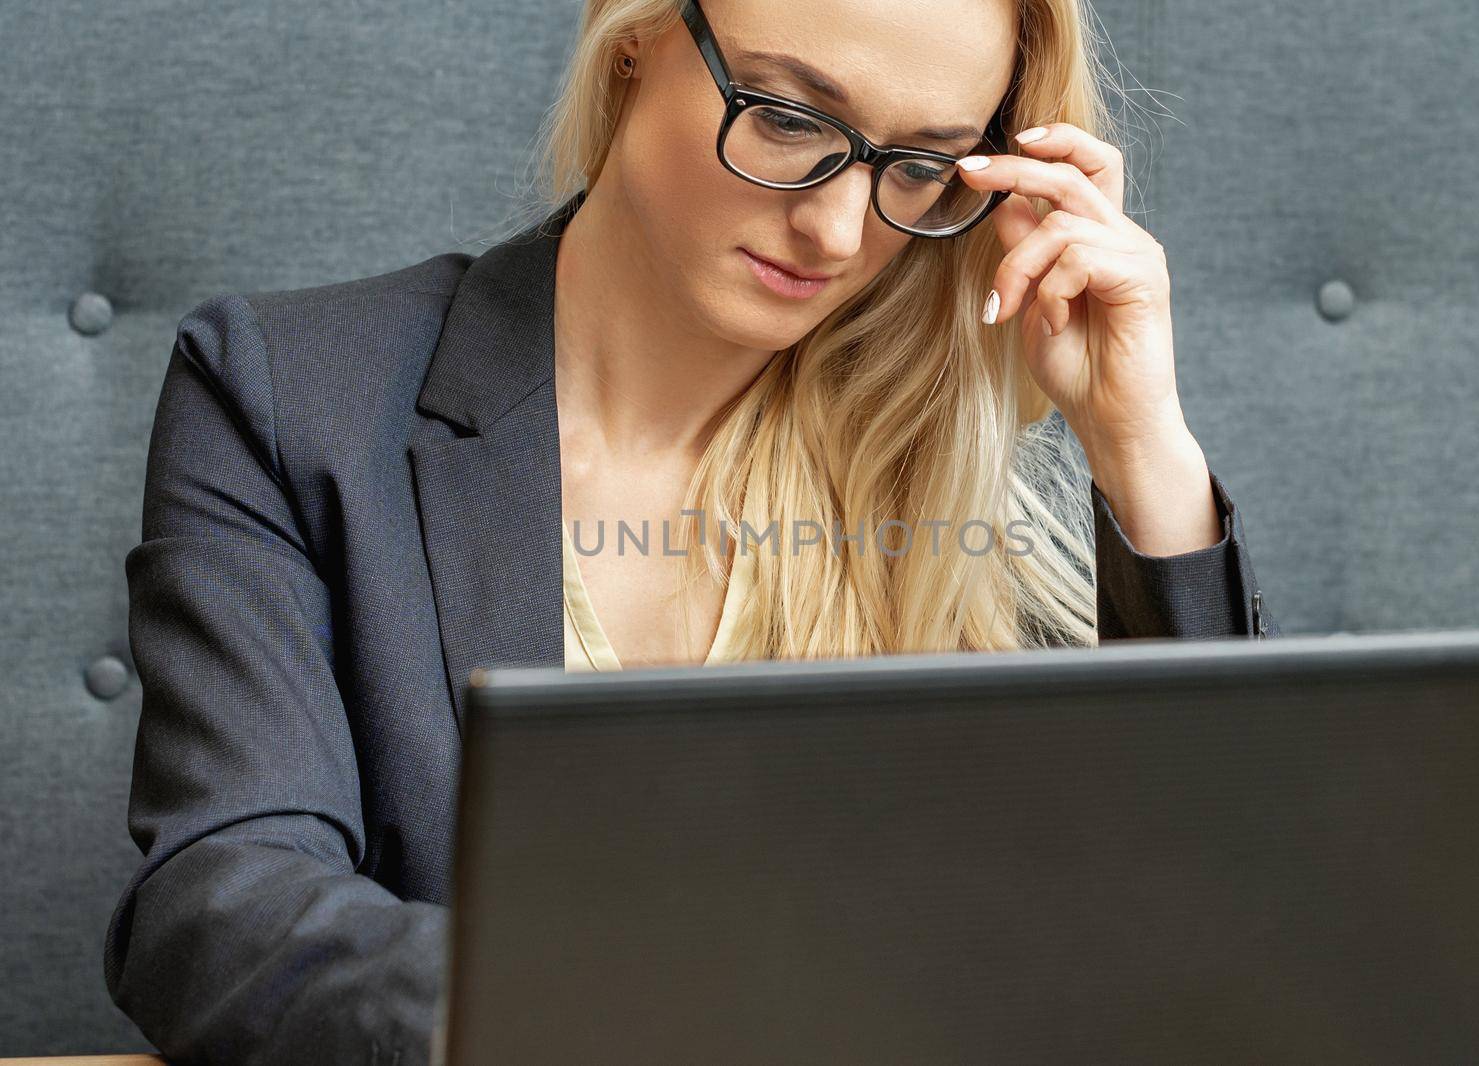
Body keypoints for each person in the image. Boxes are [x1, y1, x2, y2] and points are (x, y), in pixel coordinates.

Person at [104, 0, 1280, 1060]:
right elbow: (220, 902)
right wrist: (597, 1015)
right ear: (636, 45)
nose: (834, 231)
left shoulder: (943, 473)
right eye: (783, 116)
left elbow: (1206, 917)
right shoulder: (288, 395)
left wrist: (1141, 452)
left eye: (917, 167)